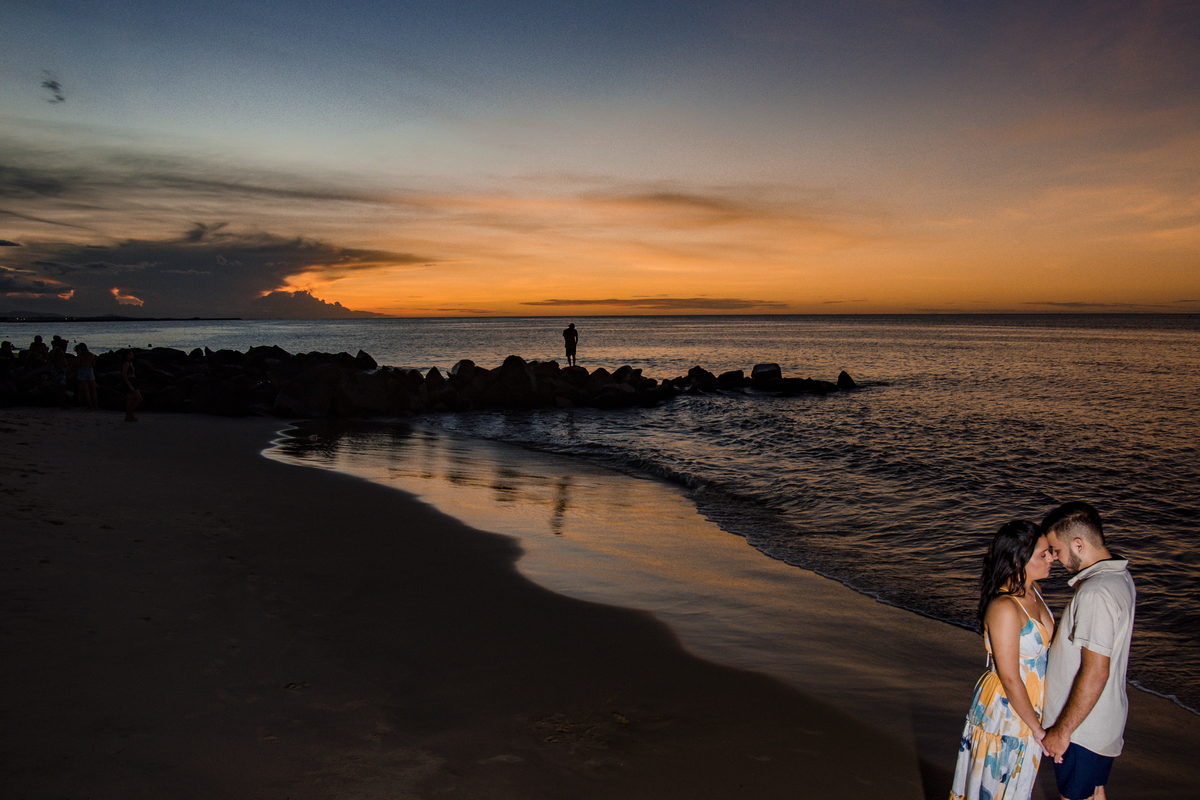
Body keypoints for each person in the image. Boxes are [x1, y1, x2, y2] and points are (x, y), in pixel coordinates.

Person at [950, 519, 1056, 800]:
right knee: (998, 789)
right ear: (1017, 560)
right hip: (1008, 711)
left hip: (1029, 703)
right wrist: (1037, 728)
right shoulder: (1005, 608)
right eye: (1043, 554)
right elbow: (1009, 677)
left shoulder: (1033, 591)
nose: (1052, 558)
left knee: (1018, 788)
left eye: (1050, 551)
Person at [1040, 502, 1136, 800]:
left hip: (1082, 731)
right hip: (1100, 723)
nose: (1054, 558)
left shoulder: (1096, 593)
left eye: (1056, 549)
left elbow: (1096, 671)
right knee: (1093, 793)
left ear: (1078, 544)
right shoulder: (1119, 578)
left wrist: (1062, 731)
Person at [74, 342, 98, 410]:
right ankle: (96, 405)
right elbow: (94, 364)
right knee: (93, 390)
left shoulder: (80, 355)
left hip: (82, 371)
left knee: (86, 390)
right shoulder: (91, 355)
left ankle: (90, 405)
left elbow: (78, 365)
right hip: (89, 370)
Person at [121, 350, 142, 422]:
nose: (132, 355)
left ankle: (129, 415)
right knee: (138, 398)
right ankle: (129, 414)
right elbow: (124, 375)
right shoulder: (126, 363)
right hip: (130, 381)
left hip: (133, 380)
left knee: (131, 400)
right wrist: (129, 385)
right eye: (130, 354)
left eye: (132, 354)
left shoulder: (131, 363)